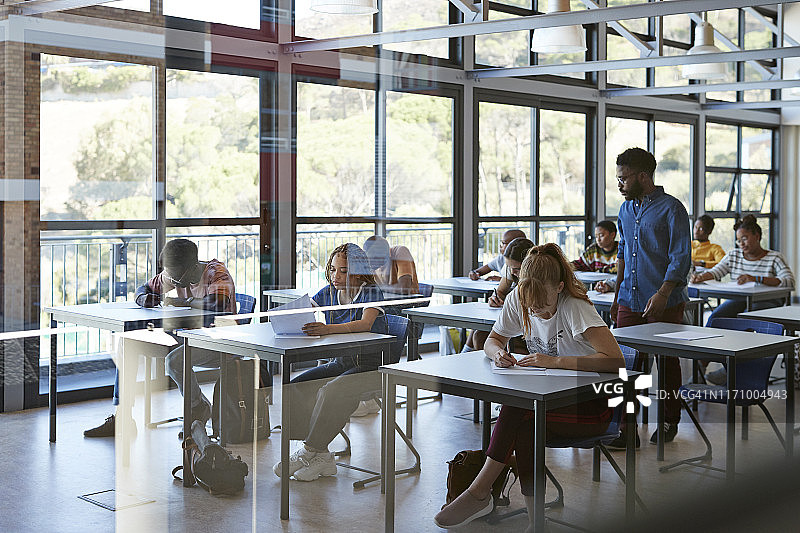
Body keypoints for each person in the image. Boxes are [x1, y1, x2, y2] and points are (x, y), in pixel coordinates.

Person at [433, 244, 625, 530]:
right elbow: (492, 339)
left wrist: (555, 361)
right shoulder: (519, 299)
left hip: (597, 405)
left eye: (542, 305)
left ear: (559, 287)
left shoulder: (576, 307)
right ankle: (535, 522)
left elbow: (615, 361)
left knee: (520, 410)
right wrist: (497, 353)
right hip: (547, 405)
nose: (536, 310)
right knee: (524, 420)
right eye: (530, 304)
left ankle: (480, 491)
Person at [84, 238, 237, 437]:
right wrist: (143, 298)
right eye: (169, 276)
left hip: (218, 340)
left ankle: (196, 407)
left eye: (174, 278)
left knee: (174, 361)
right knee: (128, 343)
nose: (170, 281)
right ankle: (122, 416)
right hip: (185, 337)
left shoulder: (216, 272)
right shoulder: (173, 274)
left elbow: (217, 302)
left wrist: (182, 302)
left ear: (191, 267)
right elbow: (144, 288)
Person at [273, 243, 389, 482]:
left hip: (372, 367)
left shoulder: (371, 292)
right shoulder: (329, 291)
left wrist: (326, 328)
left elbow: (365, 324)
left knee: (332, 390)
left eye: (343, 271)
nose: (336, 276)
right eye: (333, 269)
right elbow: (305, 309)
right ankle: (320, 453)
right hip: (341, 362)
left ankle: (309, 452)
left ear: (357, 271)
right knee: (296, 386)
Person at [609, 147, 691, 448]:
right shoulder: (624, 210)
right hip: (629, 300)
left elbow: (680, 258)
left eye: (624, 178)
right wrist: (617, 296)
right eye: (618, 178)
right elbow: (622, 256)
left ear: (643, 176)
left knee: (667, 363)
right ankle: (626, 429)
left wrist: (663, 292)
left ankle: (670, 420)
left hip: (665, 301)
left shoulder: (672, 209)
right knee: (628, 366)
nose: (620, 184)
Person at [690, 215, 795, 385]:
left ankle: (732, 370)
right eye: (739, 240)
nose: (742, 244)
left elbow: (789, 281)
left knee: (746, 319)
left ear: (757, 236)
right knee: (716, 318)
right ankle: (701, 371)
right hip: (741, 299)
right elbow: (717, 271)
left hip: (768, 302)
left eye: (745, 239)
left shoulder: (774, 257)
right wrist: (700, 277)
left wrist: (756, 278)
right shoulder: (734, 255)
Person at [462, 238, 534, 353]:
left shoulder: (540, 282)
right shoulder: (512, 268)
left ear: (530, 265)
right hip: (516, 321)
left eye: (516, 269)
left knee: (481, 335)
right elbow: (500, 291)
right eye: (509, 267)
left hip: (531, 329)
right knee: (479, 335)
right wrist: (495, 298)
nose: (511, 272)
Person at [573, 220, 618, 294]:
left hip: (613, 288)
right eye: (596, 236)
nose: (598, 239)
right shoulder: (593, 249)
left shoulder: (622, 250)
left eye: (601, 235)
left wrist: (600, 270)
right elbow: (580, 264)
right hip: (597, 289)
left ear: (612, 235)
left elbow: (619, 269)